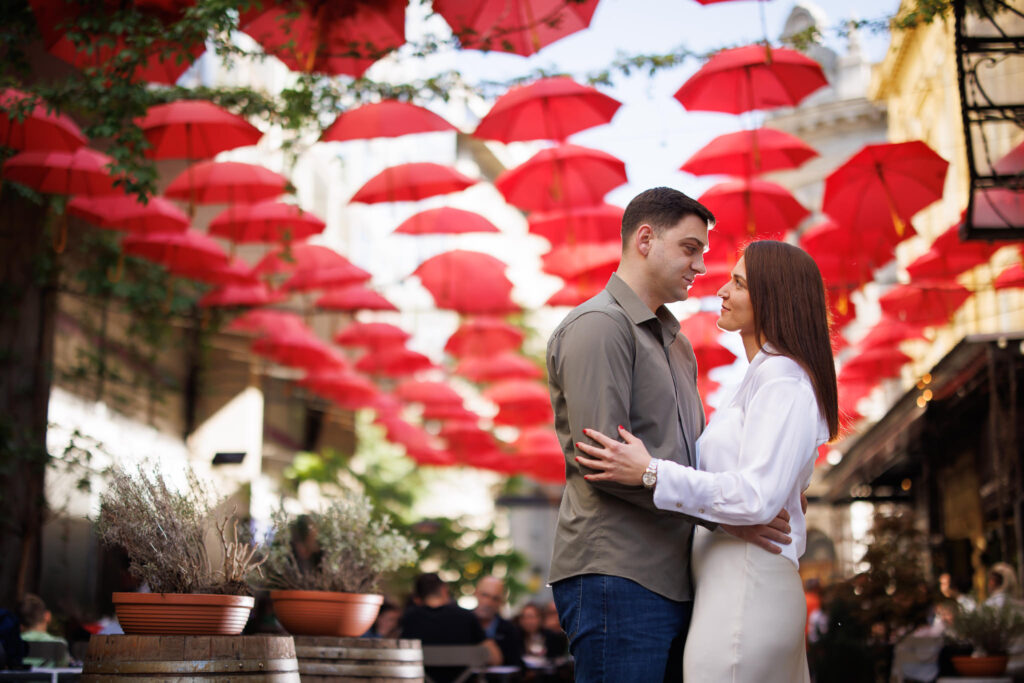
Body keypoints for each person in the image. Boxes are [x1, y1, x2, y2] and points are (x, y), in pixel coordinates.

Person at [545, 188, 796, 682]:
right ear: (645, 239)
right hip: (615, 573)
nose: (702, 265)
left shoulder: (677, 343)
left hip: (678, 578)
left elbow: (687, 462)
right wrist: (728, 520)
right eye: (689, 247)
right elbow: (607, 466)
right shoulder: (600, 327)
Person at [576, 240, 839, 682]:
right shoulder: (761, 377)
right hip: (732, 584)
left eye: (738, 283)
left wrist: (651, 471)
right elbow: (761, 487)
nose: (721, 290)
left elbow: (755, 497)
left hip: (746, 587)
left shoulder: (781, 378)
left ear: (774, 298)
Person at [400, 573, 500, 683]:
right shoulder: (466, 618)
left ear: (417, 598)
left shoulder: (409, 619)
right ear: (444, 589)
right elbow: (495, 658)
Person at [472, 575, 522, 669]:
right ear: (475, 593)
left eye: (495, 598)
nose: (488, 602)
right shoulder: (461, 623)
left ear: (501, 602)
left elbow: (514, 667)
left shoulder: (510, 630)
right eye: (485, 595)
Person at [18, 593, 70, 668]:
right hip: (47, 680)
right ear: (47, 616)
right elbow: (63, 672)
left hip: (19, 679)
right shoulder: (59, 644)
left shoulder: (10, 643)